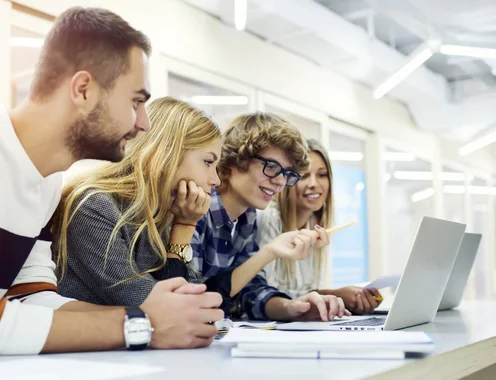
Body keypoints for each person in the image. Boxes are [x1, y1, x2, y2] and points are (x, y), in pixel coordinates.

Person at [0, 6, 222, 356]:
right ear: (83, 89)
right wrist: (141, 325)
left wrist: (152, 316)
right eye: (136, 102)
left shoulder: (47, 183)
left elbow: (32, 299)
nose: (144, 123)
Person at [52, 97, 319, 315]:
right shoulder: (94, 206)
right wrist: (186, 225)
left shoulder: (167, 214)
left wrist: (183, 225)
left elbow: (190, 295)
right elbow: (161, 304)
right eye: (208, 162)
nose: (215, 179)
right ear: (169, 154)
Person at [191, 113, 351, 322]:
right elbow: (194, 300)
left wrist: (294, 307)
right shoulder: (195, 209)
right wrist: (268, 252)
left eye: (287, 173)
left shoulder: (246, 218)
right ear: (234, 160)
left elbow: (250, 293)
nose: (280, 182)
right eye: (272, 167)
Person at [257, 138, 382, 314]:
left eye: (322, 175)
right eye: (304, 175)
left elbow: (303, 291)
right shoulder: (268, 218)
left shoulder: (315, 226)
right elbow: (263, 295)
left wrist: (338, 298)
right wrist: (333, 294)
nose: (314, 184)